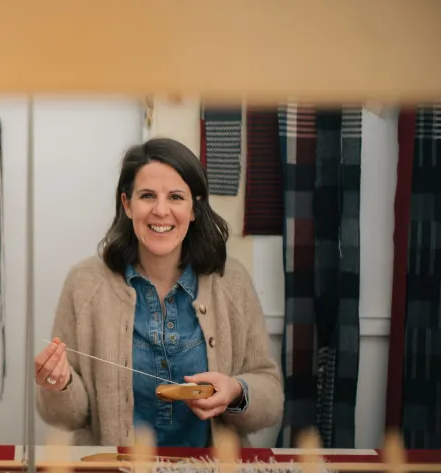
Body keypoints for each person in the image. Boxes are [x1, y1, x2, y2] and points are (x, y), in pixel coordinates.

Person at [34, 137, 283, 447]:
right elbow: (67, 418)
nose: (161, 211)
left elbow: (271, 399)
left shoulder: (232, 281)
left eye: (176, 197)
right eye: (147, 196)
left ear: (195, 207)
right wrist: (60, 383)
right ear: (127, 204)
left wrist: (236, 391)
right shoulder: (84, 283)